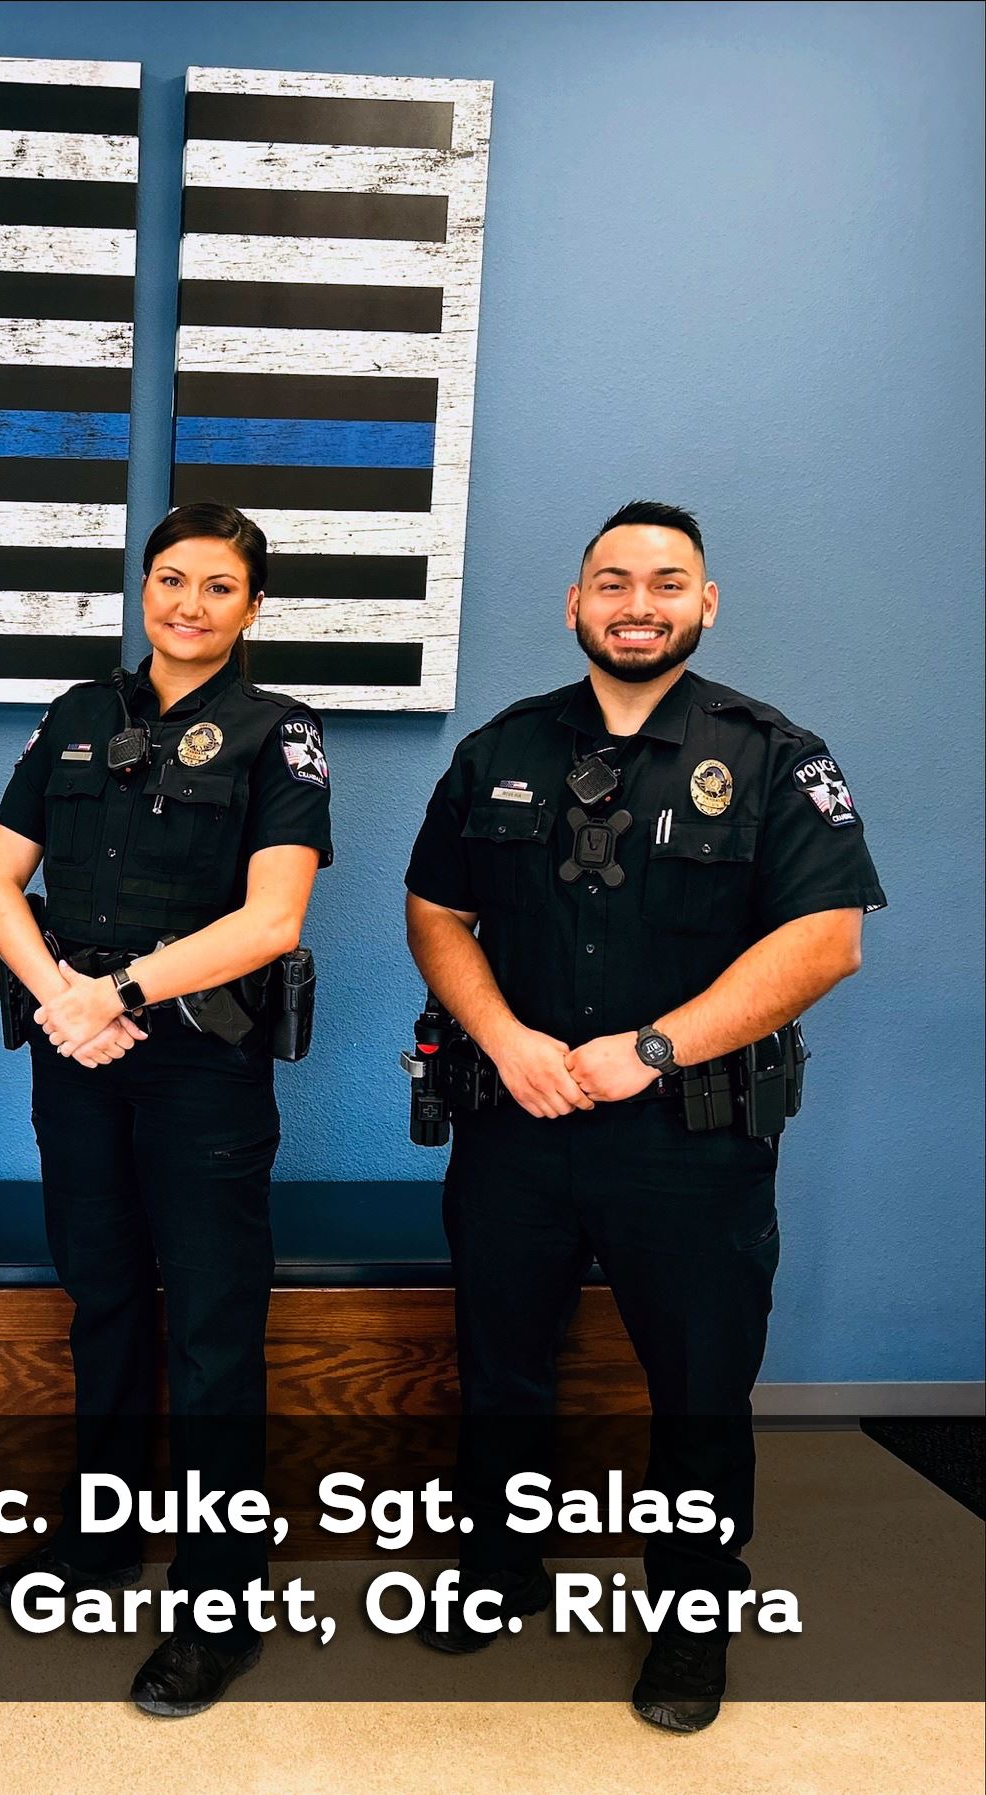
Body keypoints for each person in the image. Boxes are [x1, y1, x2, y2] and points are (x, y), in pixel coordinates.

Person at [403, 500, 883, 1731]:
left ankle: (689, 1616)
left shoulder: (775, 753)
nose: (636, 602)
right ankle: (498, 1566)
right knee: (502, 1369)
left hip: (692, 1139)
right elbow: (434, 912)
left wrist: (654, 1050)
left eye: (665, 582)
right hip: (514, 1119)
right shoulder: (497, 748)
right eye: (609, 580)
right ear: (572, 604)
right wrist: (503, 1038)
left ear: (704, 604)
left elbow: (824, 940)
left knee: (698, 1390)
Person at [0, 502, 331, 1717]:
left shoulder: (278, 735)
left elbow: (270, 920)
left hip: (199, 1066)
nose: (187, 604)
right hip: (74, 1049)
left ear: (251, 607)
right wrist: (64, 1003)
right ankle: (101, 1540)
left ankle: (219, 1602)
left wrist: (112, 990)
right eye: (169, 579)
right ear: (142, 589)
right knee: (105, 1299)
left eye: (216, 587)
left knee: (213, 1327)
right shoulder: (77, 716)